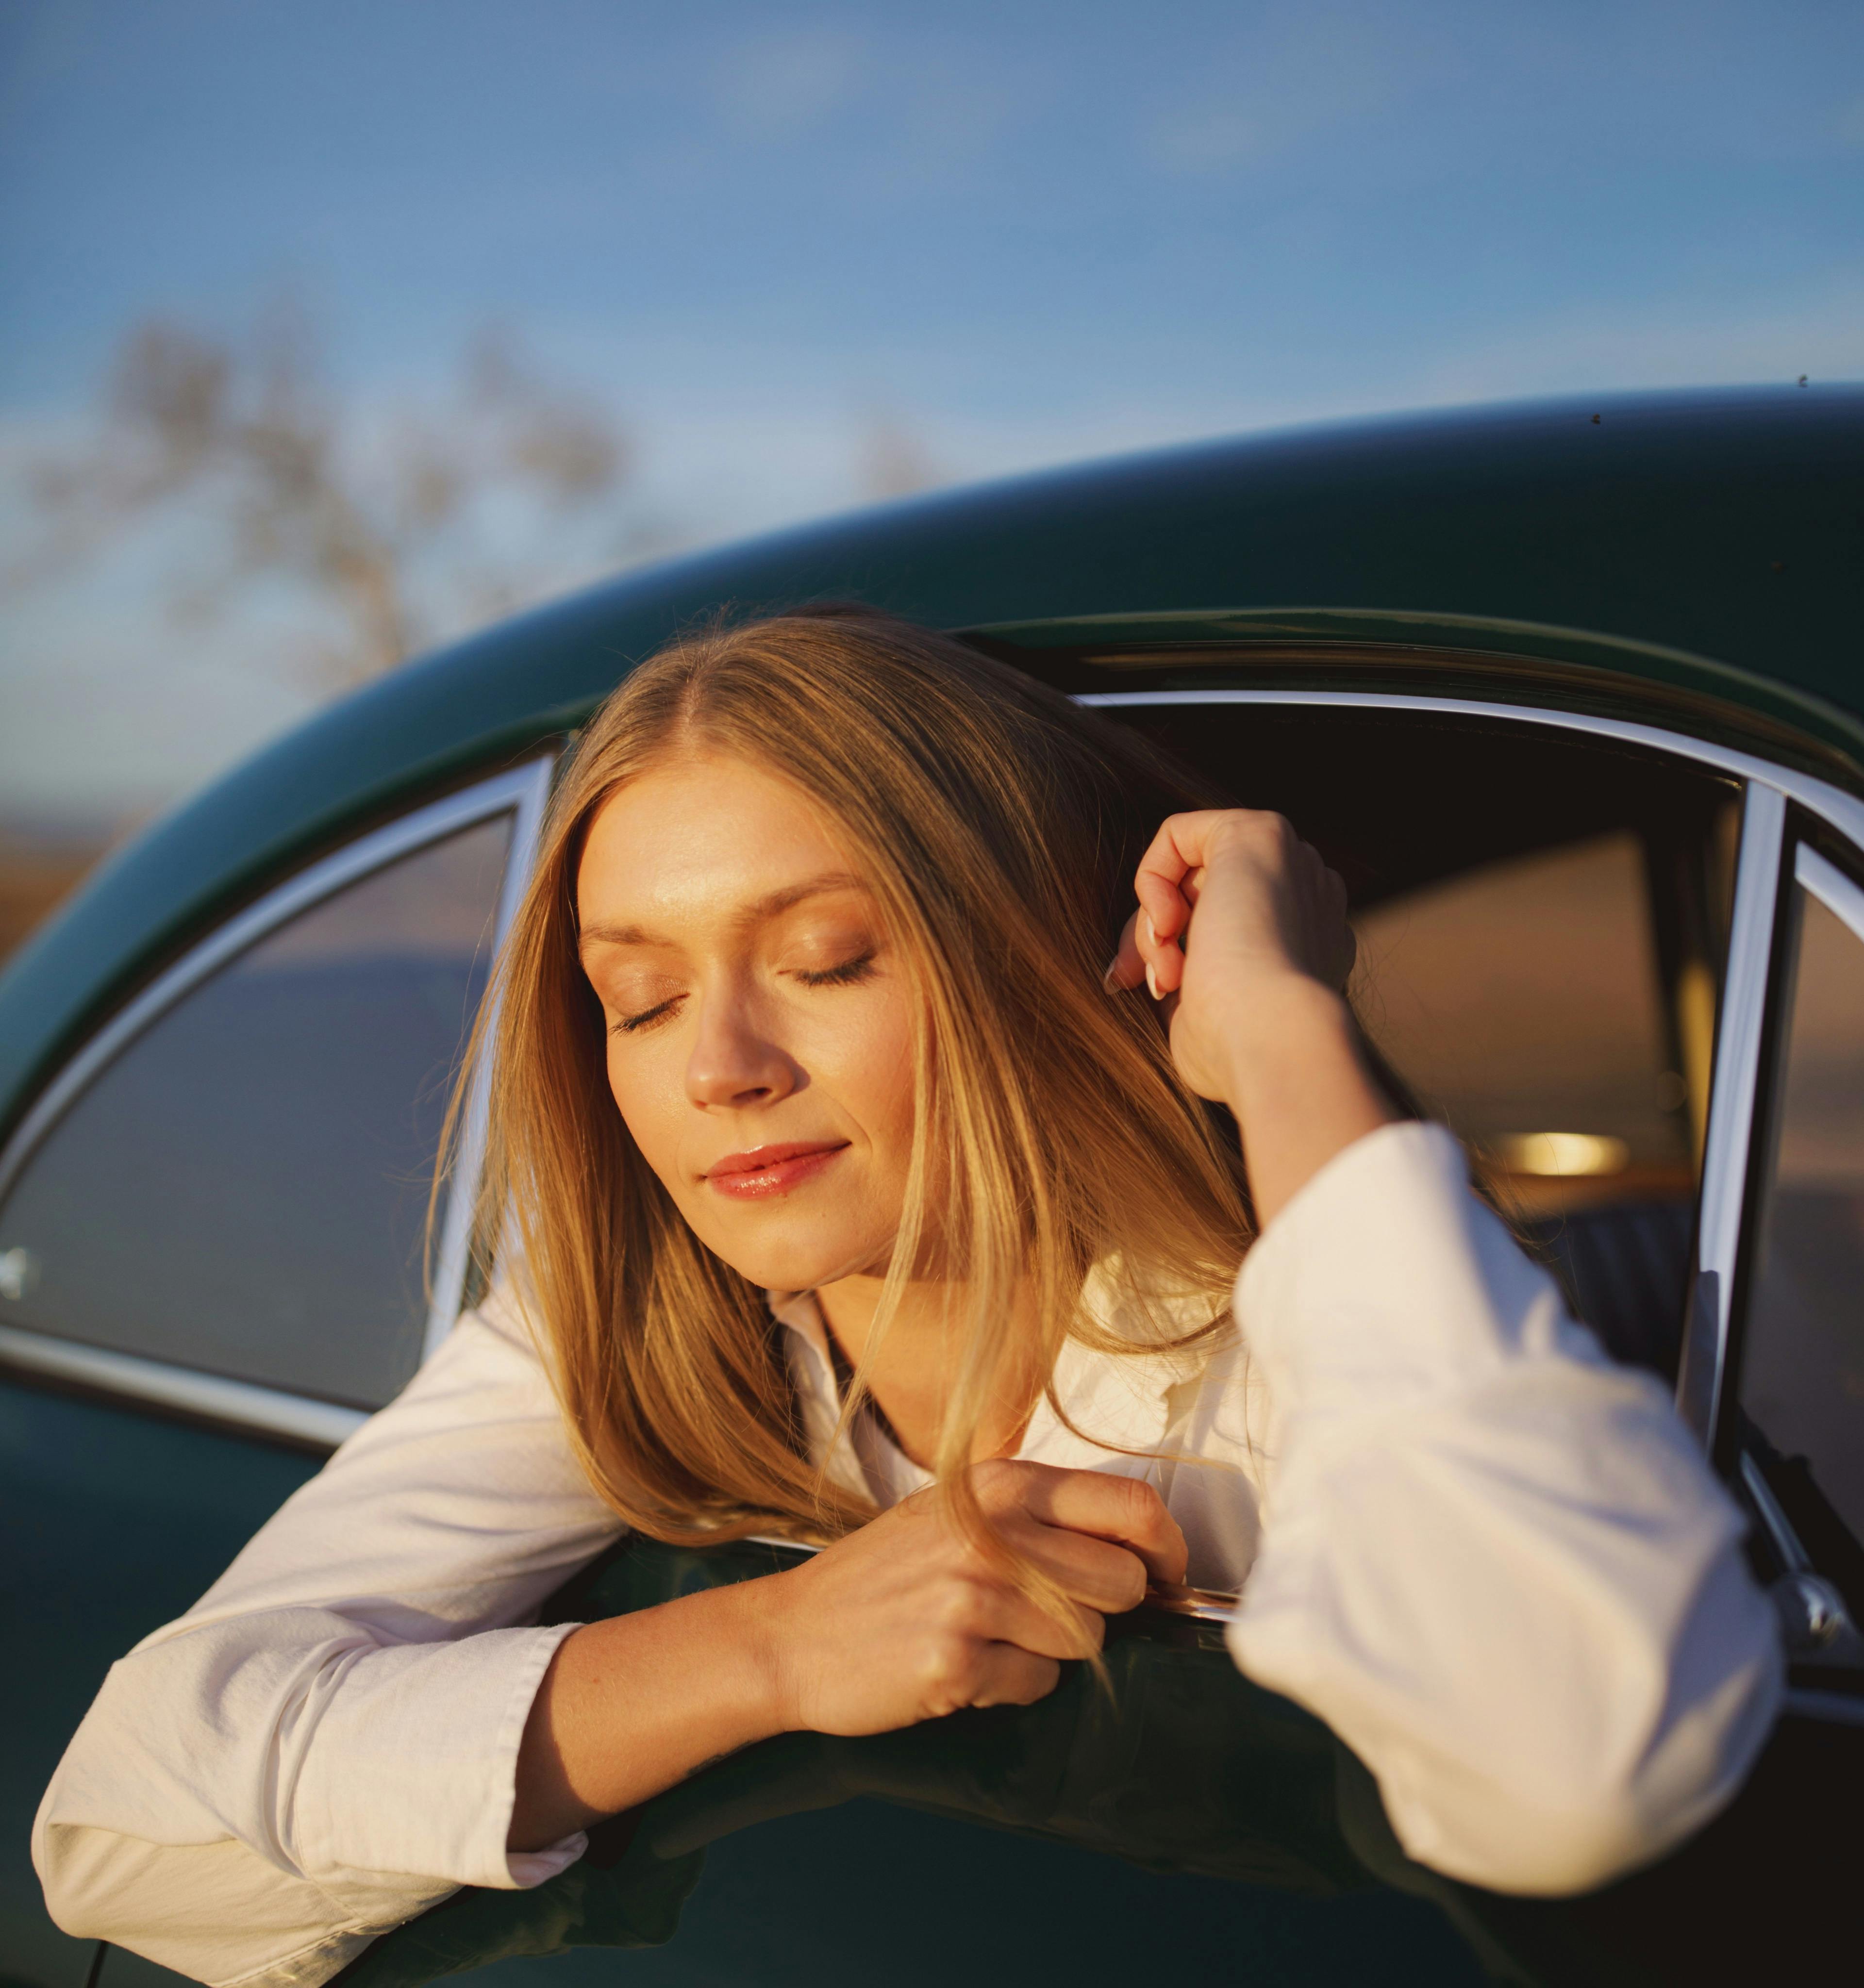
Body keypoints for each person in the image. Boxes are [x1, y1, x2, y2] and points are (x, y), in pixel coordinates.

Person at [35, 609, 1780, 1988]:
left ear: (1041, 956)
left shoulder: (1287, 1340)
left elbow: (1579, 1752)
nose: (719, 1066)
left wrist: (1287, 1035)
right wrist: (771, 1646)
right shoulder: (631, 1326)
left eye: (826, 962)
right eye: (637, 1000)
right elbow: (119, 1834)